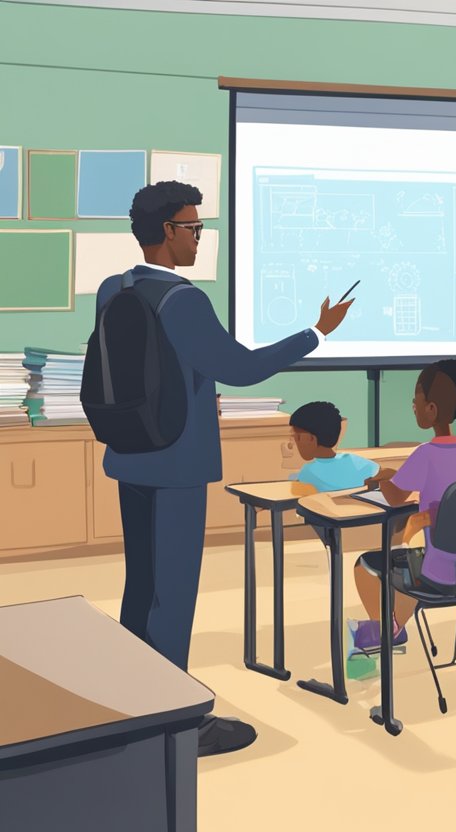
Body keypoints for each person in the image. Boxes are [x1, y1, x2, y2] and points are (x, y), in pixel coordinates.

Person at [93, 181, 352, 756]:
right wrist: (316, 332)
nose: (198, 239)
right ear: (168, 231)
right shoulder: (182, 300)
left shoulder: (113, 289)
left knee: (142, 584)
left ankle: (135, 701)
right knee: (174, 593)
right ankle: (174, 725)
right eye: (193, 228)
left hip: (129, 453)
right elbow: (241, 367)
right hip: (176, 463)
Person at [351, 360, 456, 655]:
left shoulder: (426, 455)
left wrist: (385, 478)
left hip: (440, 577)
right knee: (411, 556)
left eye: (416, 400)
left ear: (432, 409)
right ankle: (393, 626)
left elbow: (395, 498)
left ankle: (387, 632)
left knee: (368, 565)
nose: (413, 406)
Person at [289, 401, 384, 492]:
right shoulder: (360, 463)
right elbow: (380, 473)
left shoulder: (307, 473)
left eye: (297, 437)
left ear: (311, 439)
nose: (294, 442)